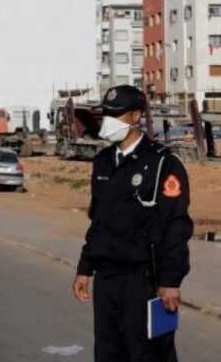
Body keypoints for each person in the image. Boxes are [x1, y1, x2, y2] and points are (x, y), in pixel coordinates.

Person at [72, 85, 193, 361]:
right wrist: (85, 268)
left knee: (148, 355)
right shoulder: (103, 162)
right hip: (107, 280)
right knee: (108, 353)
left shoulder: (164, 163)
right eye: (106, 114)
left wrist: (171, 280)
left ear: (137, 116)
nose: (108, 121)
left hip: (144, 282)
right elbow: (98, 221)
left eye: (117, 114)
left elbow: (177, 226)